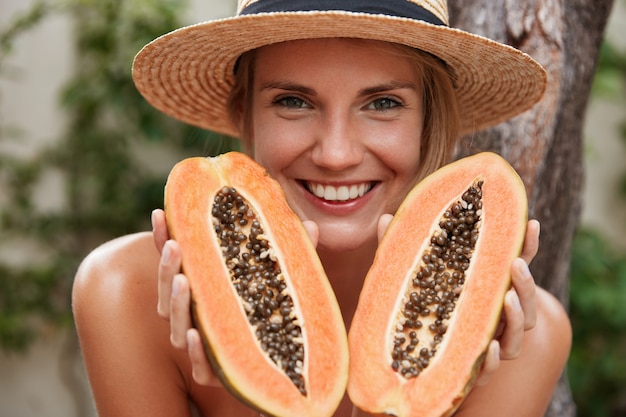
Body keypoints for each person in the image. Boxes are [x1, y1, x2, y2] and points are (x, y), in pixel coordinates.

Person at [72, 1, 572, 416]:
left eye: (382, 104)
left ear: (428, 121)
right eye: (293, 101)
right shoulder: (126, 293)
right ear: (243, 113)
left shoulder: (523, 342)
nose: (336, 154)